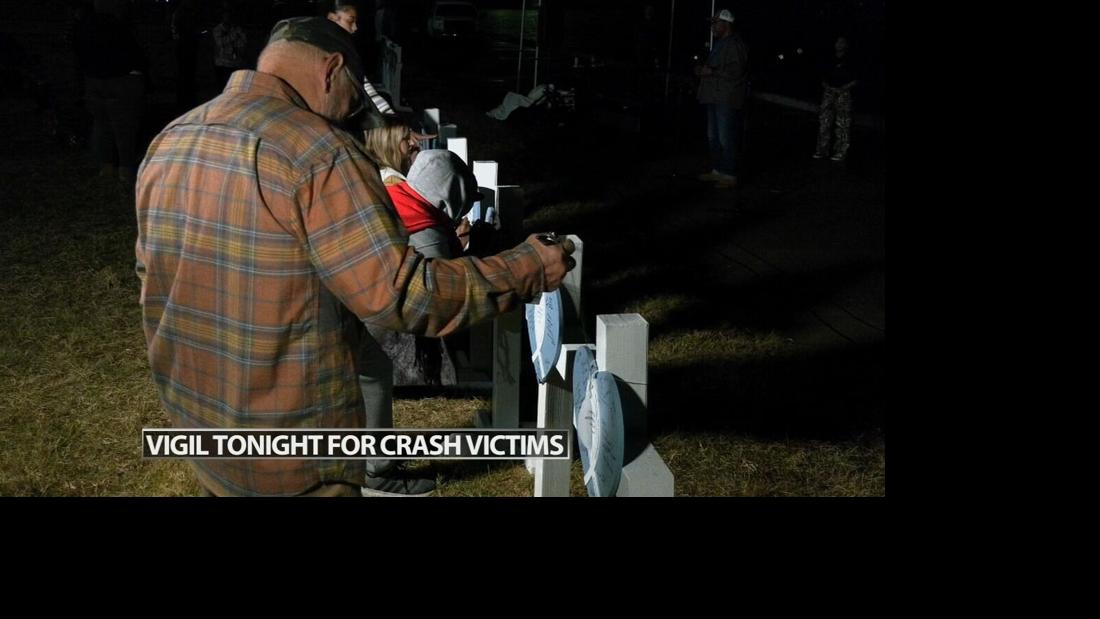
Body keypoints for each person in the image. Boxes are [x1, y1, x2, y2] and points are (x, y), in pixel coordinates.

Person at [135, 17, 574, 497]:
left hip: (201, 425)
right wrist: (528, 267)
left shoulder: (172, 138)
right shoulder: (319, 153)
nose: (349, 115)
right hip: (293, 452)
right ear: (332, 70)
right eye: (353, 100)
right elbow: (405, 296)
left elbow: (152, 279)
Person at [73, 0, 148, 185]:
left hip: (94, 80)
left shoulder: (83, 25)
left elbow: (77, 53)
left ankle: (106, 166)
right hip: (119, 81)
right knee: (123, 128)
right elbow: (135, 53)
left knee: (102, 125)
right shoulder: (118, 26)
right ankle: (125, 169)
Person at [695, 9, 748, 189]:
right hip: (713, 96)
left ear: (726, 24)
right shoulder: (720, 44)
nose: (712, 26)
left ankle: (730, 174)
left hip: (725, 98)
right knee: (713, 137)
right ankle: (718, 170)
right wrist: (703, 70)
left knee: (726, 137)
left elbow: (736, 72)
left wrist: (711, 71)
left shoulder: (735, 44)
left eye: (715, 23)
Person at [814, 36, 858, 162]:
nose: (839, 44)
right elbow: (822, 76)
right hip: (829, 93)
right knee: (824, 122)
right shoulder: (829, 59)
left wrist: (843, 88)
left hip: (843, 94)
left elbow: (856, 79)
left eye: (842, 42)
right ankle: (822, 150)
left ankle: (840, 152)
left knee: (842, 124)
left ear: (846, 45)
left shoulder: (851, 60)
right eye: (837, 42)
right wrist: (828, 87)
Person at [211, 4, 248, 90]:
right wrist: (233, 37)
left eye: (229, 16)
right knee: (222, 88)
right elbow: (220, 43)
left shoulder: (236, 29)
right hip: (221, 64)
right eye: (225, 16)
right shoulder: (217, 30)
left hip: (234, 64)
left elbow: (243, 43)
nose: (228, 18)